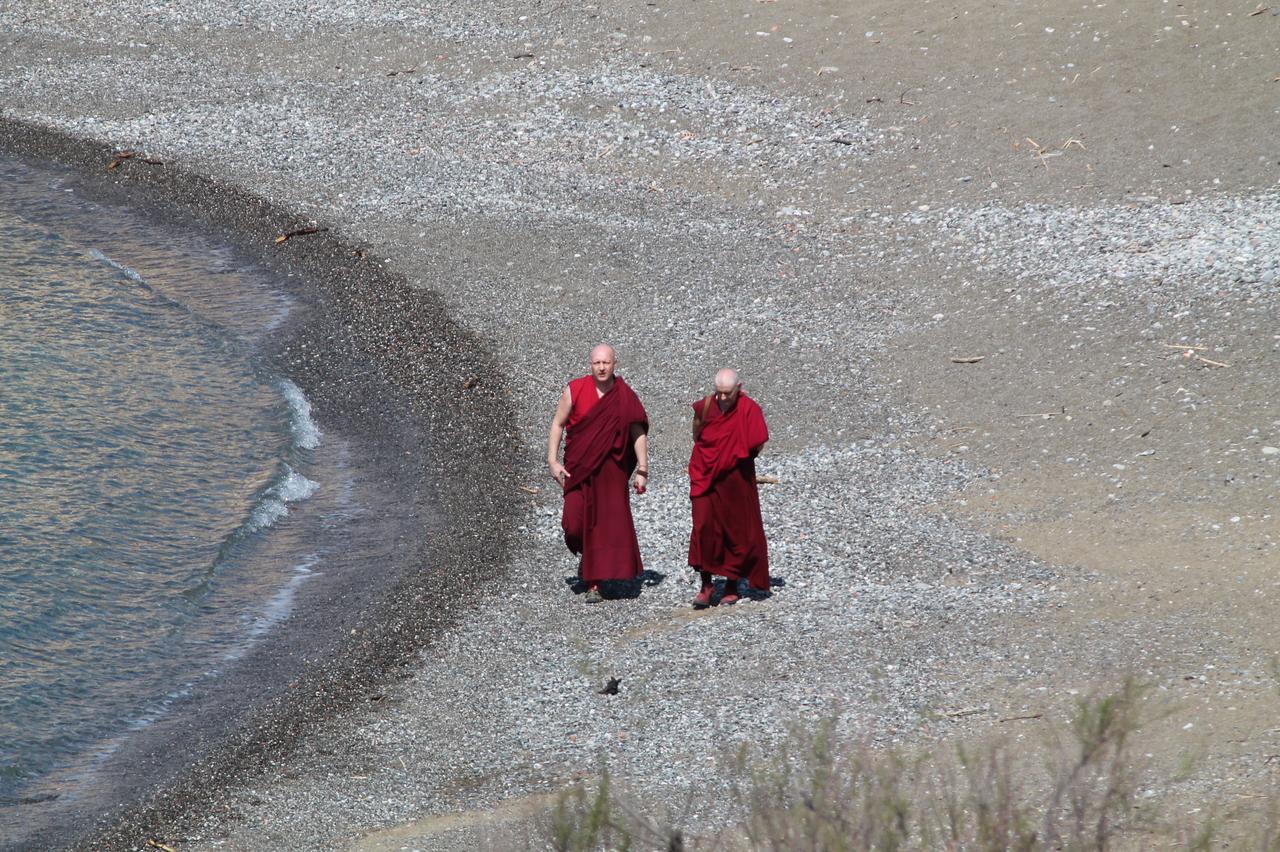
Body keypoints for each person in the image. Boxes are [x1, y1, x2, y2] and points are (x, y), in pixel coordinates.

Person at [547, 344, 649, 603]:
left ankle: (595, 583)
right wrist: (552, 460)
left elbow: (638, 432)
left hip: (610, 473)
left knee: (603, 527)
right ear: (590, 365)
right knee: (573, 525)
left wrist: (642, 468)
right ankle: (587, 559)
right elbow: (558, 424)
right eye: (597, 363)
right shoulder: (575, 390)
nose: (602, 367)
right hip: (578, 470)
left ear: (615, 364)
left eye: (606, 363)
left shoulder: (624, 396)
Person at [687, 368, 769, 607]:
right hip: (705, 474)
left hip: (735, 478)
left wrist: (738, 457)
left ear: (739, 388)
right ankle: (706, 584)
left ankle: (732, 583)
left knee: (735, 528)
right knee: (702, 526)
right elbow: (698, 433)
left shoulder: (749, 409)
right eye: (719, 393)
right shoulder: (705, 406)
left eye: (727, 393)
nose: (722, 398)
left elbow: (758, 441)